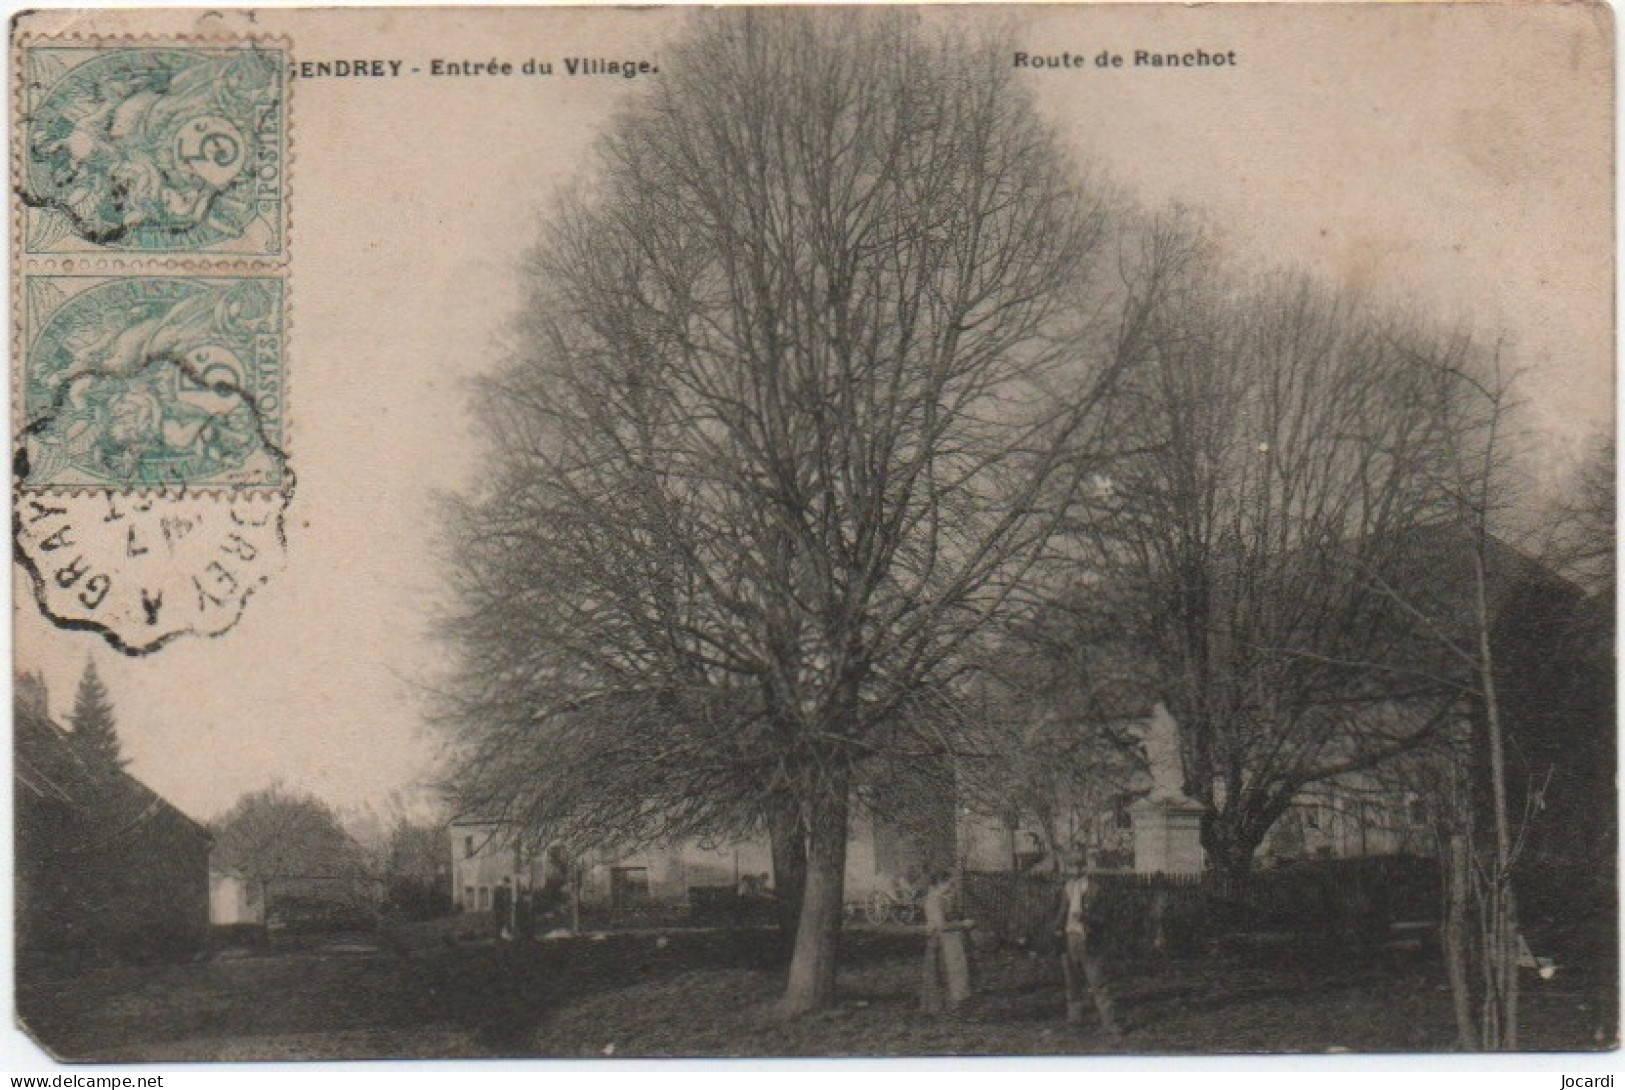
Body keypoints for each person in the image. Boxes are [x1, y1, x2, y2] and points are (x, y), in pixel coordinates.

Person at [1053, 850, 1122, 1037]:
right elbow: (1061, 911)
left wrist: (1086, 917)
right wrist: (1057, 928)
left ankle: (1110, 1023)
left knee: (1098, 983)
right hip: (1069, 938)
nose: (1074, 870)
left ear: (1084, 867)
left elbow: (1105, 917)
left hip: (1089, 940)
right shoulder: (1066, 887)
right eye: (1071, 866)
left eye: (1078, 866)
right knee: (1072, 982)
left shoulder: (1095, 889)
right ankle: (1074, 1020)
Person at [919, 871, 973, 1013]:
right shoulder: (934, 901)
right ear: (940, 884)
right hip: (939, 941)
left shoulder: (941, 899)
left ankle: (950, 1004)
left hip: (945, 940)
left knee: (949, 971)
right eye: (949, 884)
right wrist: (962, 925)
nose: (951, 888)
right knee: (941, 972)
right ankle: (939, 1006)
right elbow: (942, 925)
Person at [492, 877, 514, 941]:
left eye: (508, 884)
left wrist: (509, 907)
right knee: (499, 924)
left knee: (505, 923)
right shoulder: (498, 890)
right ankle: (498, 937)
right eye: (506, 883)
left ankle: (503, 936)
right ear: (503, 882)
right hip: (499, 910)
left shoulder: (508, 890)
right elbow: (496, 901)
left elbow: (508, 901)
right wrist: (497, 910)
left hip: (505, 910)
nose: (507, 885)